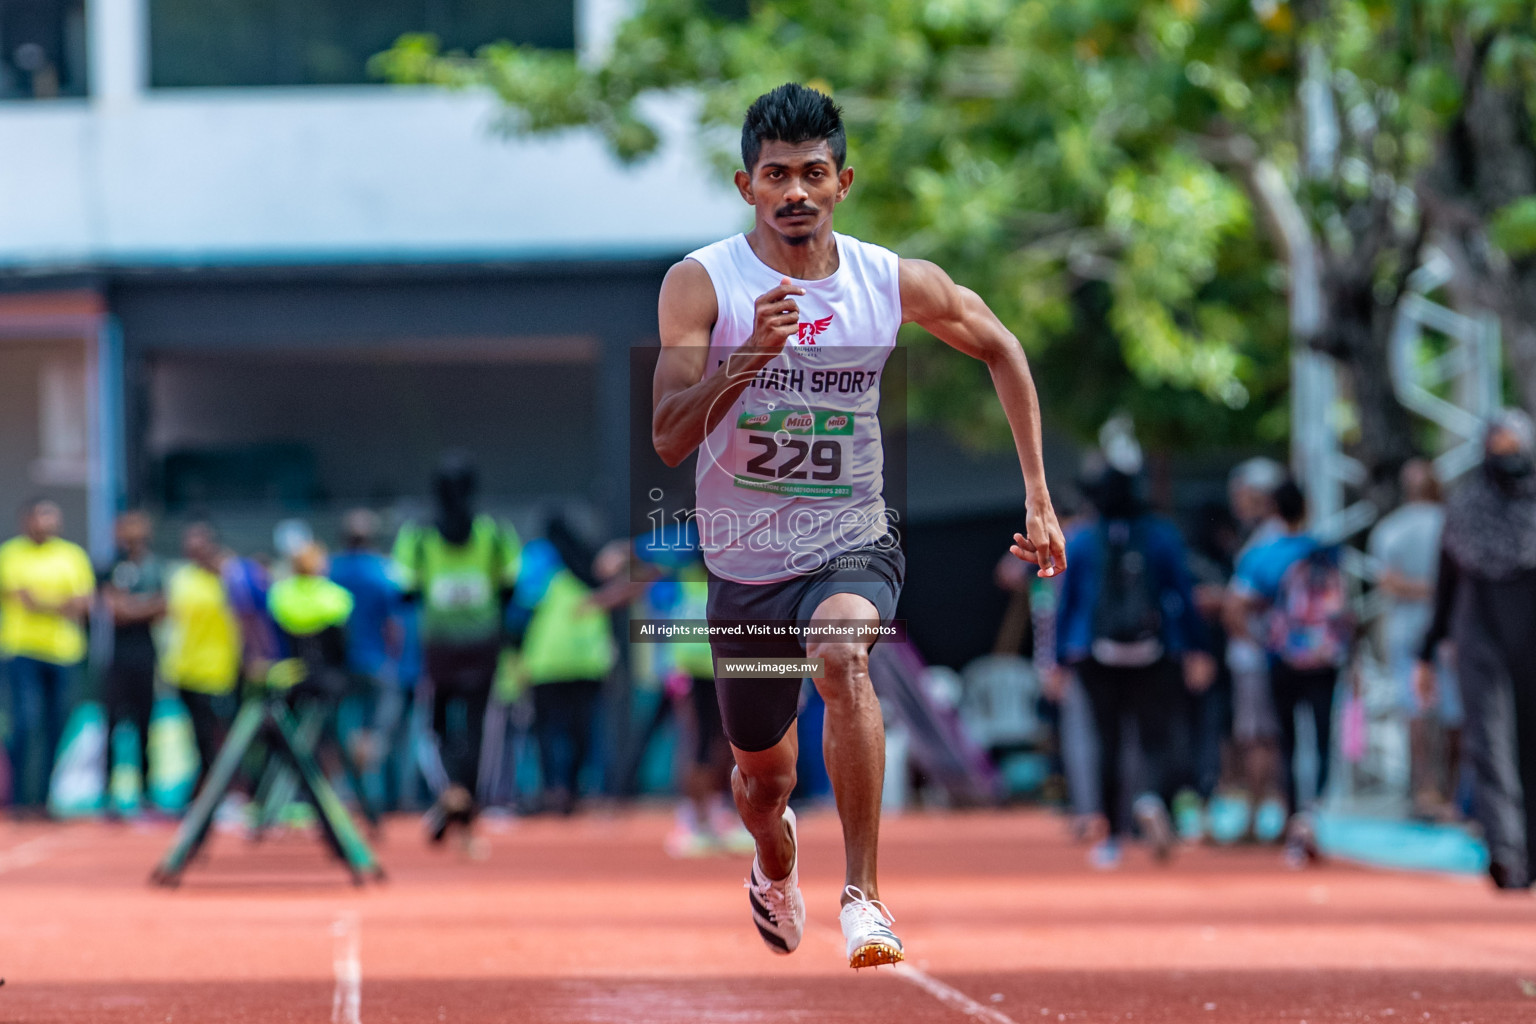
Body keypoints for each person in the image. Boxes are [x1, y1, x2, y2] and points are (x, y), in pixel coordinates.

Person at [651, 83, 1065, 968]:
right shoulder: (704, 283)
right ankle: (774, 858)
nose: (794, 192)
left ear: (844, 181)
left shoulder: (890, 280)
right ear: (746, 186)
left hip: (852, 540)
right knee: (764, 783)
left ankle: (865, 897)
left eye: (812, 173)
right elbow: (667, 435)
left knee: (843, 657)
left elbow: (1002, 346)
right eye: (775, 176)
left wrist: (1036, 491)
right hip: (746, 569)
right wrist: (746, 359)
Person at [1053, 464, 1212, 867]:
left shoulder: (1084, 539)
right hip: (1153, 651)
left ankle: (1110, 837)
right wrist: (1197, 647)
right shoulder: (1161, 535)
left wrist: (1058, 660)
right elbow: (1182, 592)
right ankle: (1150, 798)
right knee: (1155, 737)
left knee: (1106, 741)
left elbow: (1068, 602)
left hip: (1095, 651)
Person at [1417, 412, 1536, 890]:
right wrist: (1427, 652)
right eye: (1498, 445)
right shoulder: (1466, 508)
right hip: (1479, 635)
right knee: (1488, 743)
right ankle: (1506, 851)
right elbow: (1444, 587)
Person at [392, 453, 521, 843]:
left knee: (436, 729)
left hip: (438, 648)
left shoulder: (416, 538)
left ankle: (450, 793)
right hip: (484, 646)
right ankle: (467, 800)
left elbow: (405, 592)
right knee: (482, 729)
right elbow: (510, 589)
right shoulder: (496, 534)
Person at [1227, 480, 1353, 865]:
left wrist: (1261, 642)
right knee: (1321, 736)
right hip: (1325, 659)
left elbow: (1237, 608)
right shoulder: (1324, 551)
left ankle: (1290, 816)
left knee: (1284, 738)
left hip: (1282, 659)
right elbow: (1345, 611)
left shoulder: (1262, 554)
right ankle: (1312, 815)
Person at [1367, 460, 1460, 820]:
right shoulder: (1452, 526)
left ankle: (1425, 790)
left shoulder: (1391, 529)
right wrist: (1438, 593)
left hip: (1408, 628)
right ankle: (1449, 793)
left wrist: (1419, 591)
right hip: (1447, 629)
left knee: (1416, 710)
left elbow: (1386, 582)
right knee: (1454, 712)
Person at [511, 515, 616, 816]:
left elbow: (521, 608)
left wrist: (516, 654)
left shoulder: (538, 558)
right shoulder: (589, 559)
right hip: (588, 660)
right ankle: (574, 790)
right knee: (581, 730)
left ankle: (553, 790)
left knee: (548, 731)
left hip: (546, 662)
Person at [0, 499, 95, 814]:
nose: (49, 522)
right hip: (22, 651)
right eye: (43, 516)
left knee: (57, 726)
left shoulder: (73, 555)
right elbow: (24, 600)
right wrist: (61, 604)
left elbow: (84, 604)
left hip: (64, 653)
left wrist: (46, 602)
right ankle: (18, 798)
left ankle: (43, 798)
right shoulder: (10, 554)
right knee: (26, 723)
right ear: (27, 520)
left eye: (54, 516)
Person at [1224, 458, 1289, 839]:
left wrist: (1252, 641)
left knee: (1257, 737)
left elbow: (1240, 605)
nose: (1239, 502)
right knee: (1268, 736)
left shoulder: (1265, 544)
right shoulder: (1277, 539)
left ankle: (1256, 821)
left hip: (1259, 656)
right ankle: (1272, 817)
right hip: (1272, 652)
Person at [328, 509, 406, 811]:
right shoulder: (381, 572)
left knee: (340, 727)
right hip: (374, 662)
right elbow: (393, 625)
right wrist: (392, 659)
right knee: (379, 726)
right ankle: (369, 785)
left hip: (340, 665)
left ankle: (342, 789)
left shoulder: (331, 570)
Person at [160, 523, 242, 798]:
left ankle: (226, 793)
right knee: (198, 739)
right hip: (185, 670)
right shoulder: (181, 577)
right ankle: (210, 794)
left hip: (219, 671)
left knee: (220, 738)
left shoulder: (229, 578)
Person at [98, 511, 167, 815]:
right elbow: (112, 608)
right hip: (115, 658)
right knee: (112, 724)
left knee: (144, 725)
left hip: (146, 656)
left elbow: (163, 606)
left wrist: (133, 607)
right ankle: (110, 793)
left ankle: (146, 793)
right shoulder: (110, 566)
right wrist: (143, 606)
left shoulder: (156, 566)